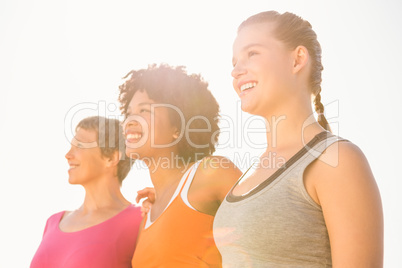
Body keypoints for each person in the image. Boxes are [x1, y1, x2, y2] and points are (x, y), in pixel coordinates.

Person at [213, 11, 384, 267]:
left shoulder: (336, 161)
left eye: (252, 54)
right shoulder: (250, 172)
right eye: (234, 61)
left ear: (297, 60)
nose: (236, 71)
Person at [118, 63, 242, 267]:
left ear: (177, 127)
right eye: (129, 113)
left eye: (144, 111)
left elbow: (272, 235)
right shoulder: (147, 215)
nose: (130, 121)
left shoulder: (213, 172)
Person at [30, 116, 142, 268]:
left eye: (80, 146)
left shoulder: (139, 219)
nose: (68, 155)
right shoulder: (53, 222)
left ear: (111, 157)